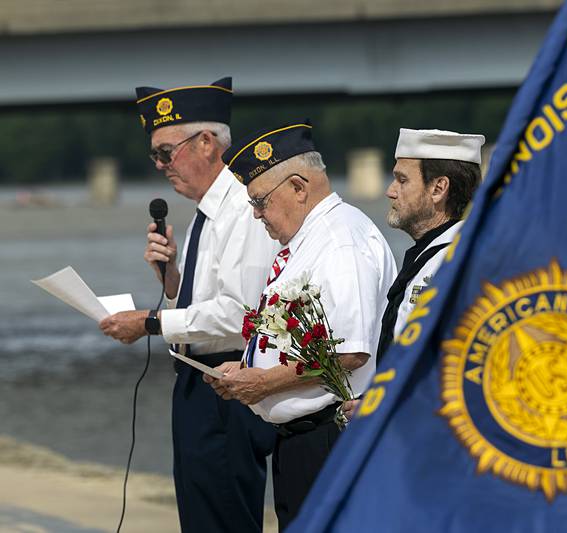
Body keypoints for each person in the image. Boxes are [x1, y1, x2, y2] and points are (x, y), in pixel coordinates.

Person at [98, 78, 277, 533]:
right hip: (199, 382)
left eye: (165, 152)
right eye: (154, 156)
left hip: (229, 384)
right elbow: (207, 302)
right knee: (201, 518)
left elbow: (244, 314)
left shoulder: (244, 208)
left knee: (223, 519)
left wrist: (151, 321)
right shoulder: (206, 210)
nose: (160, 165)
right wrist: (172, 278)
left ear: (205, 142)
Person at [204, 120, 396, 531]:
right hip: (302, 440)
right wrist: (249, 369)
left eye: (260, 202)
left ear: (298, 187)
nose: (256, 216)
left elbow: (349, 351)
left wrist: (264, 384)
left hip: (332, 436)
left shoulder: (340, 241)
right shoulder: (308, 240)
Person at [341, 128, 484, 421]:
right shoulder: (433, 255)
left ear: (438, 189)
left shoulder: (455, 263)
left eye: (402, 180)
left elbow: (446, 368)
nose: (390, 191)